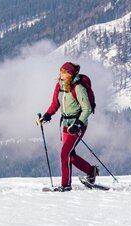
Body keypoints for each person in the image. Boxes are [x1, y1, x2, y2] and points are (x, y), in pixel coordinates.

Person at [36, 61, 99, 191]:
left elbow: (86, 109)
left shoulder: (78, 88)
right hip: (65, 124)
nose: (61, 73)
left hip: (78, 124)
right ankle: (91, 171)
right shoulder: (59, 86)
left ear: (70, 74)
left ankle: (65, 185)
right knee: (70, 155)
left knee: (65, 153)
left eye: (63, 72)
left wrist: (78, 124)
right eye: (61, 71)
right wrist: (46, 116)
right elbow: (55, 104)